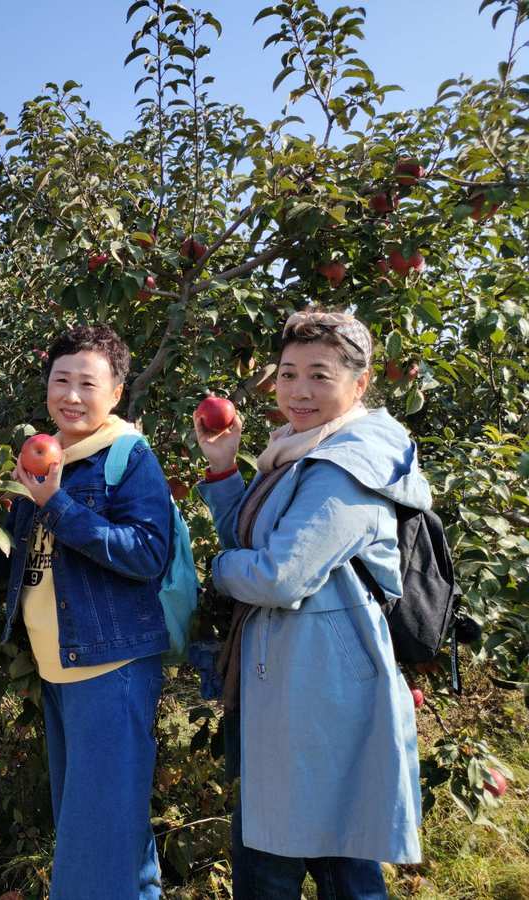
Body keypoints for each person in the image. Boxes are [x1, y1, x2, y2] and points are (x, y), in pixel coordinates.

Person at [0, 324, 172, 899]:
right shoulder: (42, 457)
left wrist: (56, 505)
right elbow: (6, 558)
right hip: (60, 665)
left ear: (117, 393)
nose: (72, 395)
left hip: (112, 665)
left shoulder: (127, 457)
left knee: (91, 831)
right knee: (110, 821)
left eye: (88, 383)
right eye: (61, 380)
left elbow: (148, 552)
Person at [193, 307, 428, 899]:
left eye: (319, 376)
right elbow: (258, 545)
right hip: (294, 679)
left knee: (299, 856)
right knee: (323, 845)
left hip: (322, 689)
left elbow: (277, 576)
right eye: (288, 373)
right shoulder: (297, 450)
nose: (298, 391)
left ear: (360, 383)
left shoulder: (347, 468)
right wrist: (224, 470)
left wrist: (219, 571)